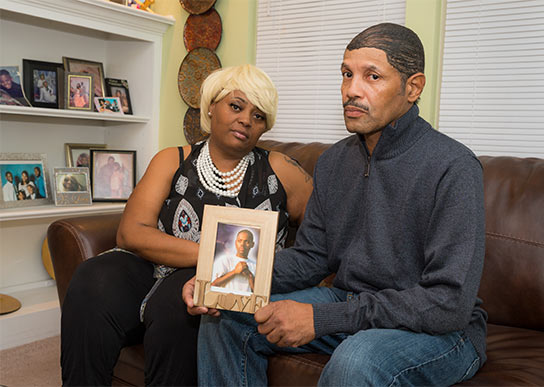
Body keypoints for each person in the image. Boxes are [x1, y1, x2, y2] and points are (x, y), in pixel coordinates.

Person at [184, 23, 487, 386]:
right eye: (346, 74)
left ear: (413, 87)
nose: (351, 90)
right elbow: (312, 256)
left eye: (372, 76)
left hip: (440, 330)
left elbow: (447, 303)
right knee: (226, 317)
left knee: (356, 360)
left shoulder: (453, 167)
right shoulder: (333, 162)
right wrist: (216, 279)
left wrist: (323, 319)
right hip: (351, 301)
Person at [59, 64, 313, 386]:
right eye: (236, 106)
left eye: (258, 116)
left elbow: (322, 232)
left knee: (181, 309)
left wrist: (266, 272)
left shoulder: (281, 170)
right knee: (90, 279)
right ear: (211, 107)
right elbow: (131, 231)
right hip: (150, 265)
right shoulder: (172, 159)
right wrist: (212, 252)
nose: (246, 120)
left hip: (214, 281)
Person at [211, 229, 256, 294]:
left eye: (247, 242)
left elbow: (258, 294)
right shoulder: (225, 260)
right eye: (239, 241)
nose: (242, 244)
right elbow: (213, 285)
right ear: (235, 242)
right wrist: (234, 272)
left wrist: (250, 276)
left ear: (252, 244)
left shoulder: (255, 265)